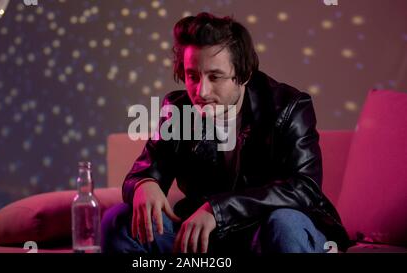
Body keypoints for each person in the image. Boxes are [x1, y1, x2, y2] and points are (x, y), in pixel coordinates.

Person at [101, 12, 350, 254]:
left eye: (215, 77)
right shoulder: (179, 110)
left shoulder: (289, 106)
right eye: (192, 76)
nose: (202, 91)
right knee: (118, 221)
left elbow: (304, 188)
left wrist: (218, 210)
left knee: (285, 224)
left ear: (243, 74)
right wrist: (144, 184)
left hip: (264, 233)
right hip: (209, 240)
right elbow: (144, 170)